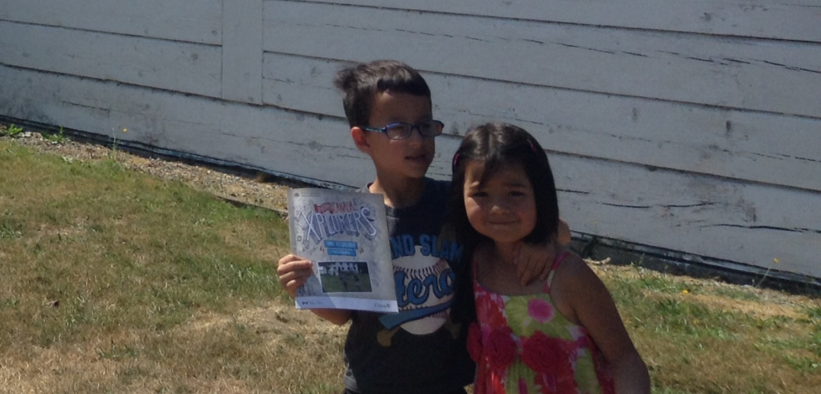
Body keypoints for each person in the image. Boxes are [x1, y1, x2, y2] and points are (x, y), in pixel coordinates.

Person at [276, 61, 563, 394]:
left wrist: (542, 239)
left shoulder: (458, 203)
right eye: (398, 128)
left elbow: (540, 224)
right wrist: (305, 288)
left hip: (446, 384)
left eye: (425, 125)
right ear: (363, 139)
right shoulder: (347, 220)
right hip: (372, 384)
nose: (417, 140)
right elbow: (342, 315)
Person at [450, 122, 650, 394]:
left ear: (540, 194)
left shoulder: (567, 277)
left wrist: (548, 233)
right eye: (481, 194)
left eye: (515, 193)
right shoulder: (475, 262)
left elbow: (625, 358)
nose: (498, 208)